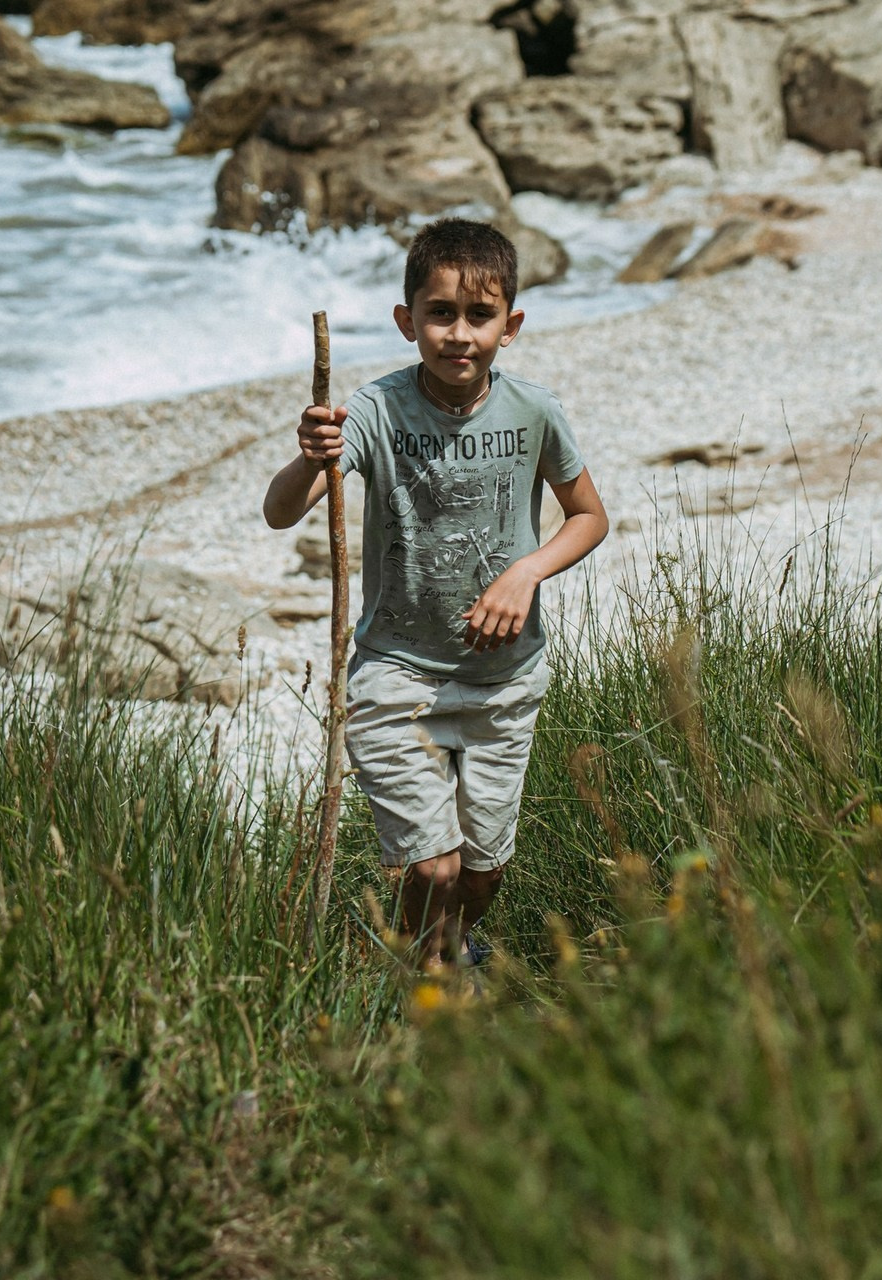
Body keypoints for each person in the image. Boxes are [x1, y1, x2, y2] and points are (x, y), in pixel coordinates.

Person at [263, 218, 608, 971]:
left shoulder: (534, 412)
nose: (458, 334)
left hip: (504, 679)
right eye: (439, 314)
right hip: (397, 672)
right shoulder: (378, 412)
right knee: (434, 867)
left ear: (510, 326)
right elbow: (281, 511)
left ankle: (438, 944)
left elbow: (589, 519)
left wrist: (526, 572)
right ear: (406, 320)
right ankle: (429, 971)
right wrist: (308, 456)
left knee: (482, 873)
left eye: (479, 316)